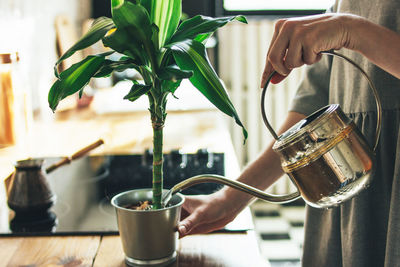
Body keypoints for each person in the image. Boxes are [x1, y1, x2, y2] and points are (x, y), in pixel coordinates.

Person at [178, 0, 400, 266]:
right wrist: (230, 199)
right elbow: (312, 104)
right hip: (347, 196)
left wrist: (352, 30)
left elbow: (350, 33)